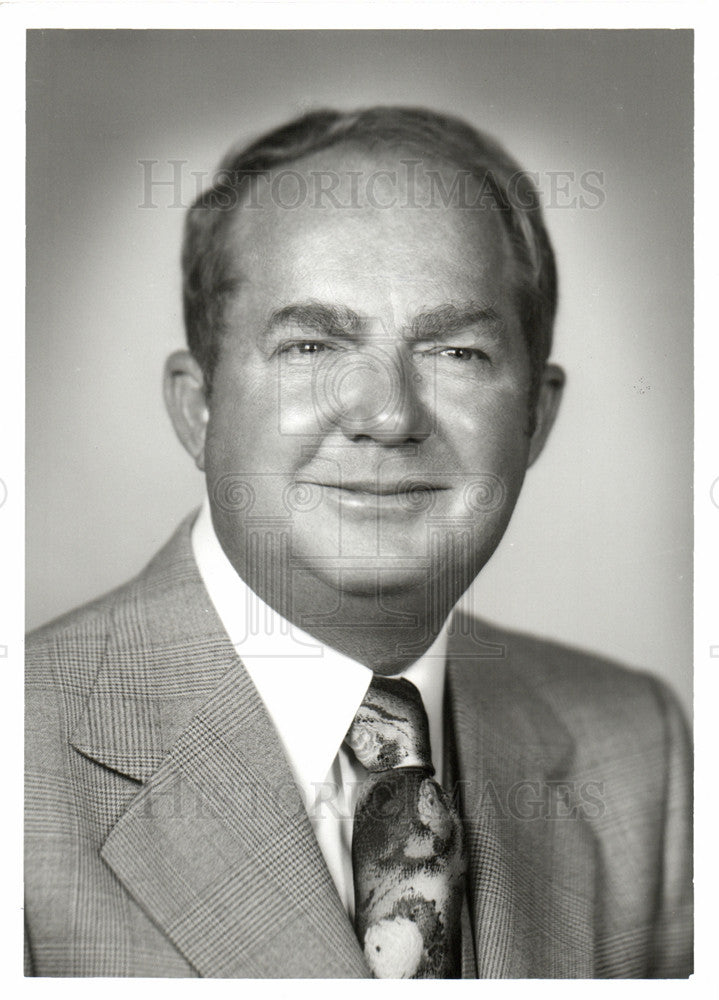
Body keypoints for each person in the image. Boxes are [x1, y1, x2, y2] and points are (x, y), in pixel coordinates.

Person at [24, 106, 692, 978]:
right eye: (310, 346)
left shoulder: (638, 749)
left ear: (536, 415)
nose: (387, 415)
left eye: (454, 352)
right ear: (198, 408)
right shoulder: (23, 759)